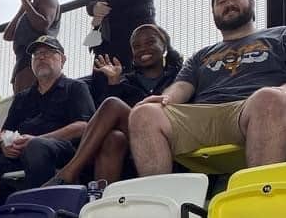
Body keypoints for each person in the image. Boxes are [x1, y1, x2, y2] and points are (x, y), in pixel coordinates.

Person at [129, 0, 286, 175]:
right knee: (143, 113)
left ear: (251, 3)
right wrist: (166, 99)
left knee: (270, 98)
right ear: (214, 12)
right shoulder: (201, 54)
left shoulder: (282, 35)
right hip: (203, 116)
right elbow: (181, 87)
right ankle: (159, 201)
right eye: (220, 1)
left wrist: (285, 90)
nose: (228, 4)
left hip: (252, 108)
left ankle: (259, 197)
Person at [46, 24, 184, 185]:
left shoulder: (181, 76)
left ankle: (68, 173)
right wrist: (114, 83)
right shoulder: (126, 81)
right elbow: (106, 121)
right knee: (113, 138)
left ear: (164, 46)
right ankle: (99, 199)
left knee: (113, 104)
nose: (143, 49)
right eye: (136, 46)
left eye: (150, 42)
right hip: (136, 140)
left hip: (170, 133)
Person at [0, 36, 96, 190]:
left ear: (63, 59)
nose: (40, 57)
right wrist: (3, 144)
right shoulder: (22, 97)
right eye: (36, 54)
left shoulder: (75, 88)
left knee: (36, 147)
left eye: (48, 52)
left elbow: (84, 126)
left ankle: (41, 205)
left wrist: (37, 139)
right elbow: (5, 130)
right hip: (20, 153)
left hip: (61, 151)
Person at [3, 0, 61, 94]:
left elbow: (43, 24)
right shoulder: (29, 7)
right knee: (22, 103)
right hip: (22, 60)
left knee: (30, 103)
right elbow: (7, 35)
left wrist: (25, 2)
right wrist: (24, 5)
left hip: (37, 57)